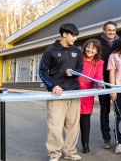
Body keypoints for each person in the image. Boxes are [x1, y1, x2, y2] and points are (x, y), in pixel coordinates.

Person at [39, 23, 83, 161]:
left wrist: (74, 73)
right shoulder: (50, 51)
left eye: (76, 36)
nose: (75, 38)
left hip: (74, 92)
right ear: (64, 34)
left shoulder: (77, 51)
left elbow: (81, 69)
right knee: (55, 125)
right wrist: (53, 85)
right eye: (73, 35)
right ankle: (54, 153)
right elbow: (42, 71)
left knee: (73, 125)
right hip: (57, 93)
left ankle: (70, 152)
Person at [78, 39, 104, 154]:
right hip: (74, 93)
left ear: (97, 51)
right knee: (71, 122)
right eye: (88, 47)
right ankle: (69, 145)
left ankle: (85, 144)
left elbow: (98, 77)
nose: (90, 50)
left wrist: (100, 83)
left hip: (88, 95)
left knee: (85, 122)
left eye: (93, 48)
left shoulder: (99, 63)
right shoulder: (78, 58)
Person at [99, 21, 120, 149]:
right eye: (109, 30)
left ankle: (118, 136)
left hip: (118, 83)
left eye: (113, 30)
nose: (111, 32)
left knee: (119, 111)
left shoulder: (120, 43)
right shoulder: (99, 44)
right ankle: (106, 138)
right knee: (104, 111)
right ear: (104, 31)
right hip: (103, 83)